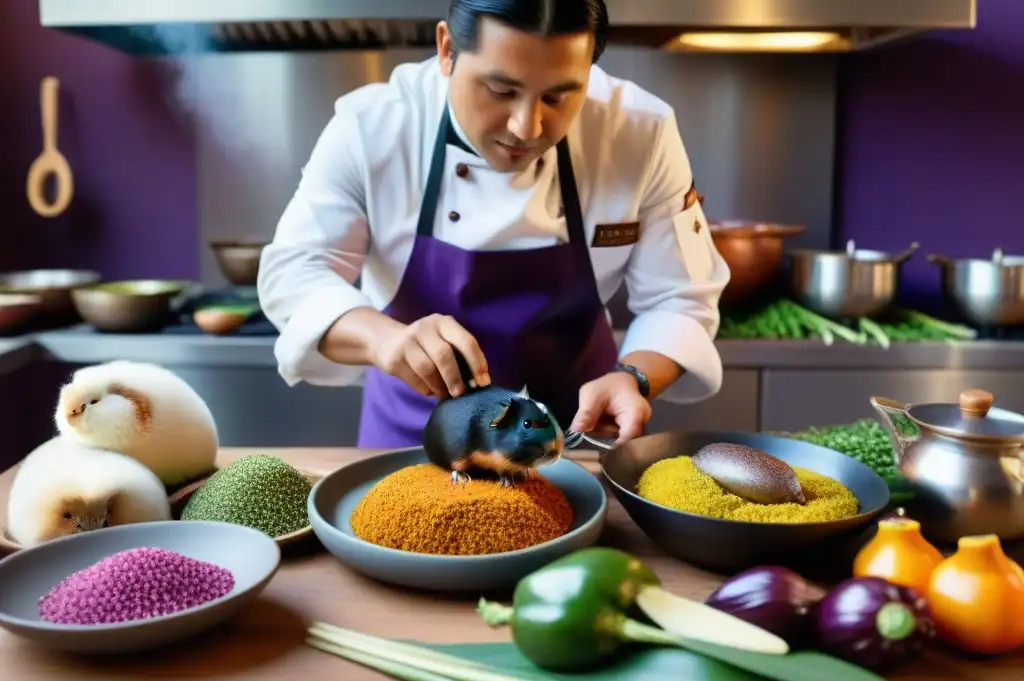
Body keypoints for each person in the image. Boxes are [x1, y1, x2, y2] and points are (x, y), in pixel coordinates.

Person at [257, 0, 730, 449]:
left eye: (559, 96)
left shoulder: (639, 131)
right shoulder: (374, 127)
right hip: (408, 439)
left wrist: (635, 378)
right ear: (446, 50)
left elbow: (681, 297)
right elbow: (295, 274)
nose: (526, 126)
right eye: (501, 90)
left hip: (574, 439)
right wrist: (387, 340)